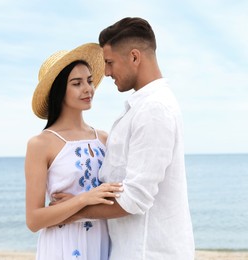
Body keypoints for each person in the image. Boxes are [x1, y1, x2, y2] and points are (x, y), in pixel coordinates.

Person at [62, 17, 195, 259]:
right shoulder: (143, 107)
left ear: (134, 57)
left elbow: (134, 198)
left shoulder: (154, 109)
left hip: (148, 252)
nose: (107, 72)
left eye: (110, 62)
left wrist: (75, 209)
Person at [25, 43, 122, 260]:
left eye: (89, 80)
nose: (88, 89)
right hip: (62, 245)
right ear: (59, 91)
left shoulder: (104, 139)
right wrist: (83, 199)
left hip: (101, 241)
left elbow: (118, 194)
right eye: (76, 83)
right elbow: (34, 220)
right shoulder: (40, 144)